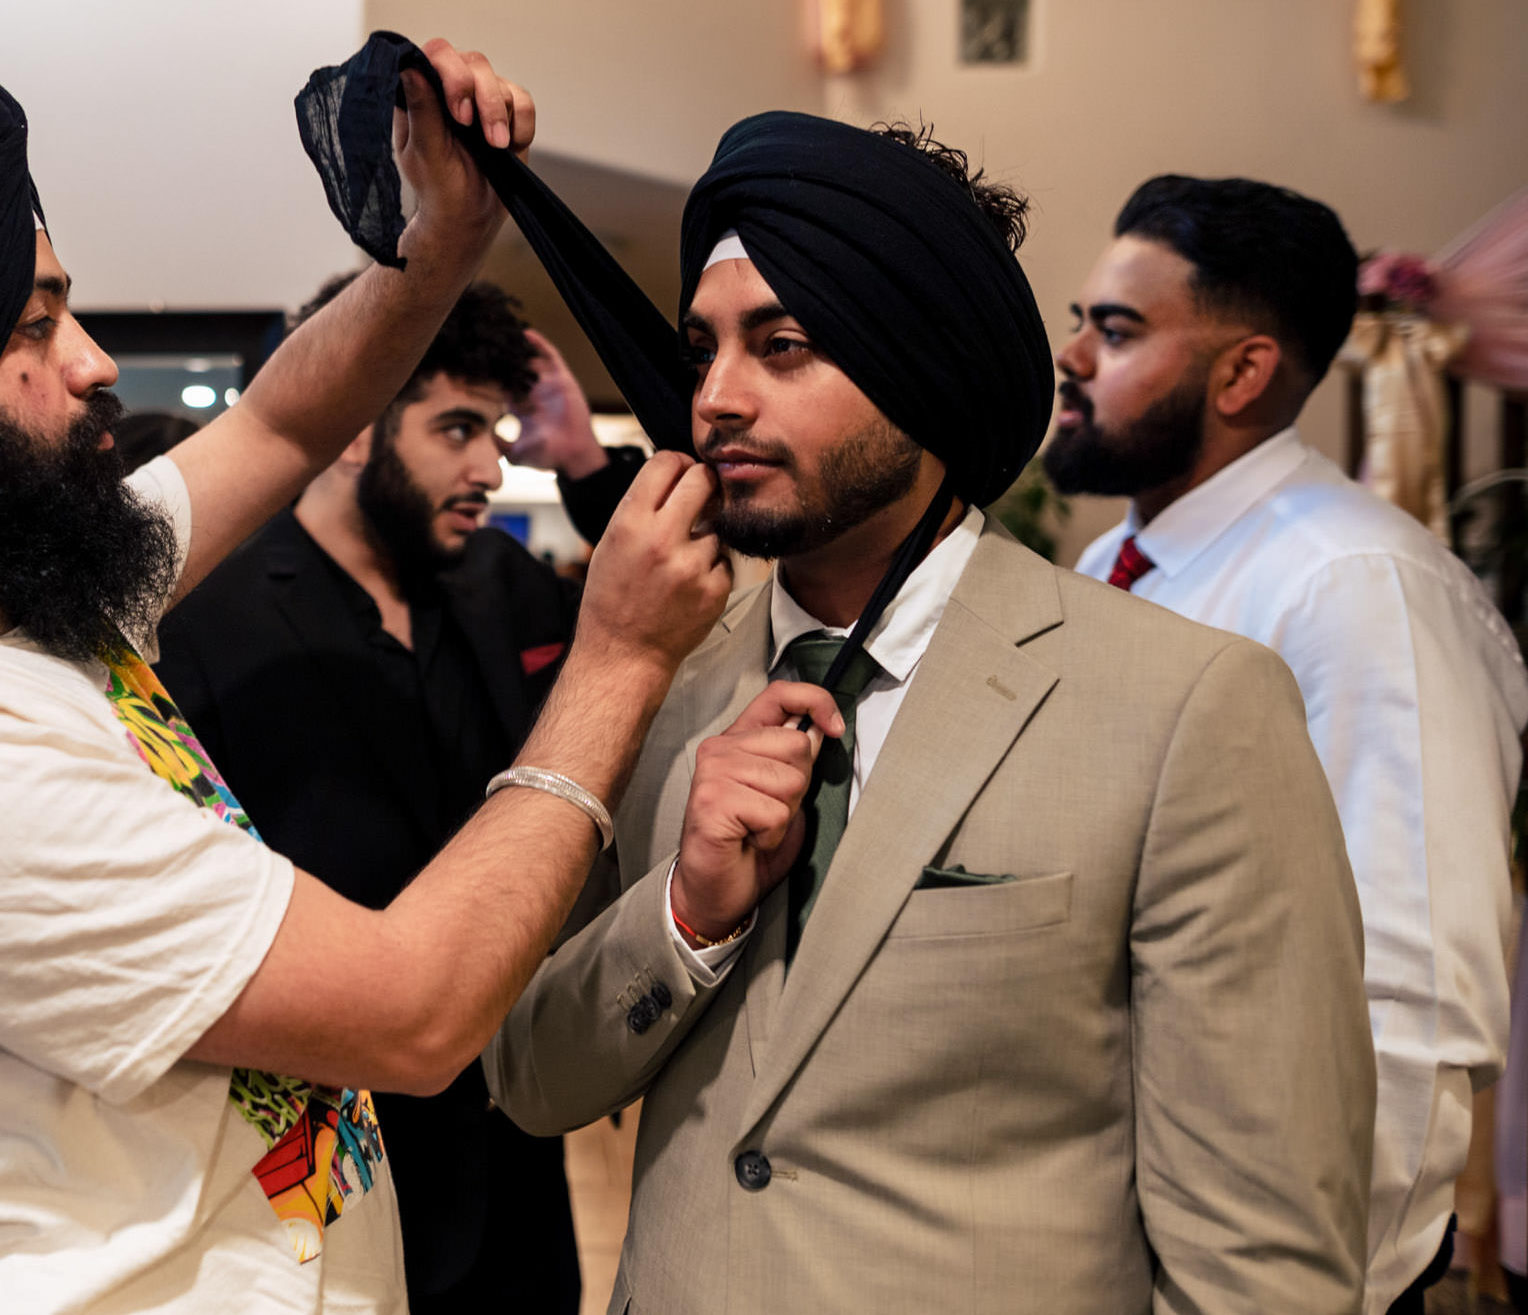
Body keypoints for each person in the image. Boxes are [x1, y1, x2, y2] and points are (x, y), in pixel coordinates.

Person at [0, 53, 813, 1315]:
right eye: (34, 328)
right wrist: (623, 657)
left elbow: (278, 422)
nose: (97, 364)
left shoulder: (11, 603)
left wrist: (441, 240)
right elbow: (417, 1011)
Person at [485, 116, 1379, 1313]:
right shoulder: (660, 686)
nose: (715, 399)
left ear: (925, 365)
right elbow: (529, 1077)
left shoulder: (1184, 707)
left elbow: (1262, 1252)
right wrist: (685, 914)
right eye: (704, 350)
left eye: (784, 345)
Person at [1043, 175, 1528, 1315]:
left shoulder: (1360, 586)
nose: (1070, 354)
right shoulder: (1105, 568)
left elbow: (1408, 1001)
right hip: (1103, 1222)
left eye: (1114, 329)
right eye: (1081, 321)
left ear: (1244, 371)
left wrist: (1317, 1285)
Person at [156, 278, 621, 1313]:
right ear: (358, 425)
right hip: (328, 1161)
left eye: (495, 431)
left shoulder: (500, 583)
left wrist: (587, 465)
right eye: (457, 427)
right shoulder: (209, 616)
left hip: (514, 1137)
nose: (489, 466)